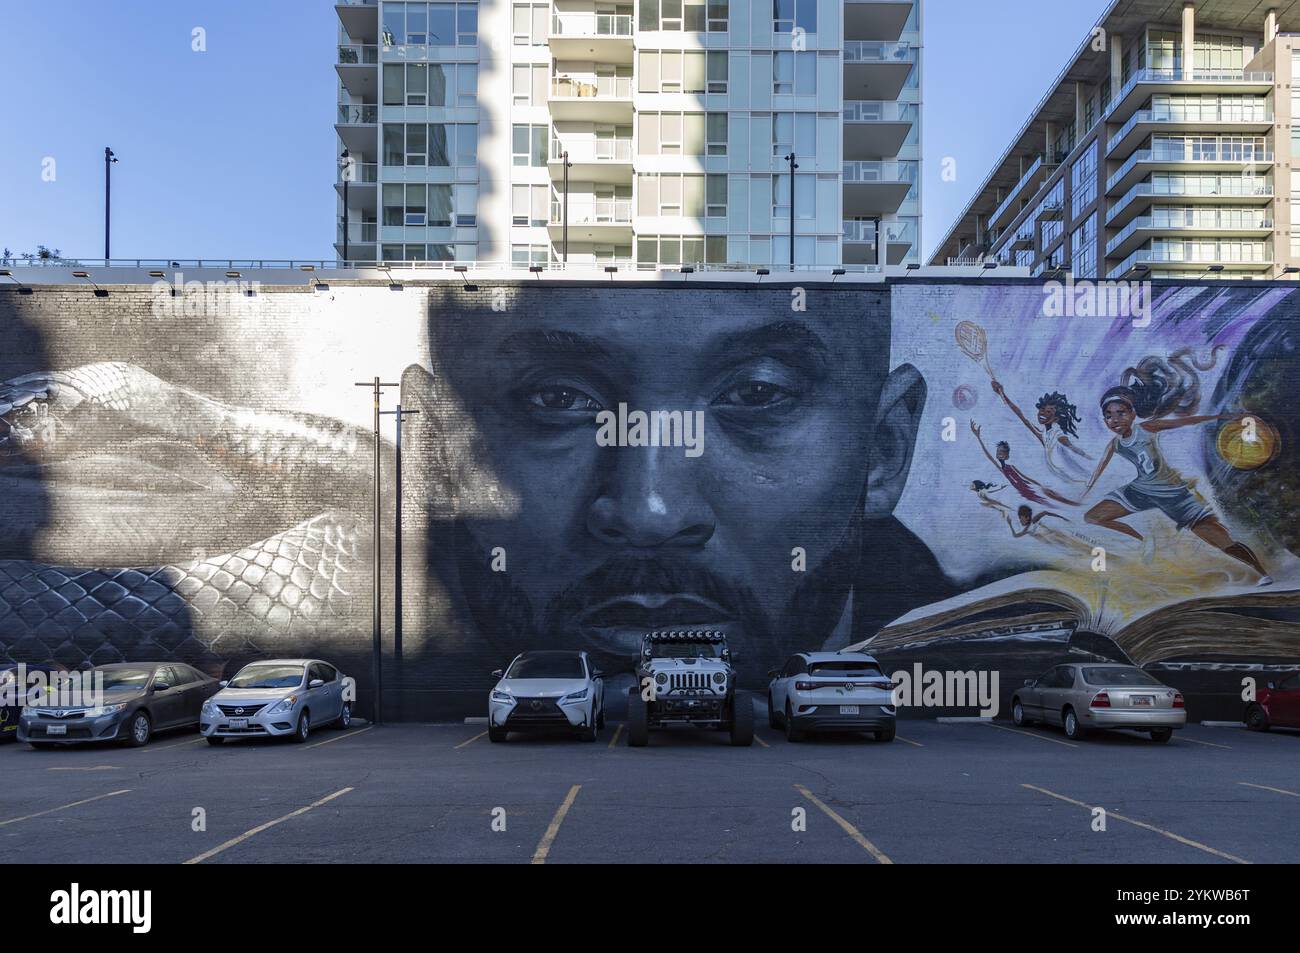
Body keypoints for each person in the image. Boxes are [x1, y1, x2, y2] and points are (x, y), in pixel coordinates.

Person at [1080, 385, 1272, 586]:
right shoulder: (1115, 444)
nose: (1115, 420)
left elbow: (1185, 421)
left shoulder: (1146, 428)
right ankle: (1143, 539)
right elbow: (1097, 472)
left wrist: (1224, 418)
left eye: (1121, 413)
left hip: (1175, 495)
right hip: (1141, 490)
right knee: (1093, 517)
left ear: (1133, 413)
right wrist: (1080, 495)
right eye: (1109, 416)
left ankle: (1262, 573)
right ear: (1105, 421)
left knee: (1220, 540)